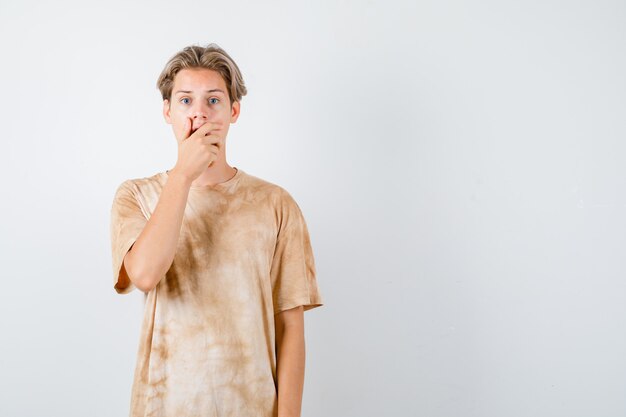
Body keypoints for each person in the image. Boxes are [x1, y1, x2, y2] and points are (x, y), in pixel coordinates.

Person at [109, 43, 324, 417]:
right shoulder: (136, 196)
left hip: (251, 405)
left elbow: (291, 327)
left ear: (233, 111)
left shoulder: (276, 204)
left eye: (213, 101)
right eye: (185, 101)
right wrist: (183, 176)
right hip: (164, 405)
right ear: (167, 112)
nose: (199, 114)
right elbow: (143, 275)